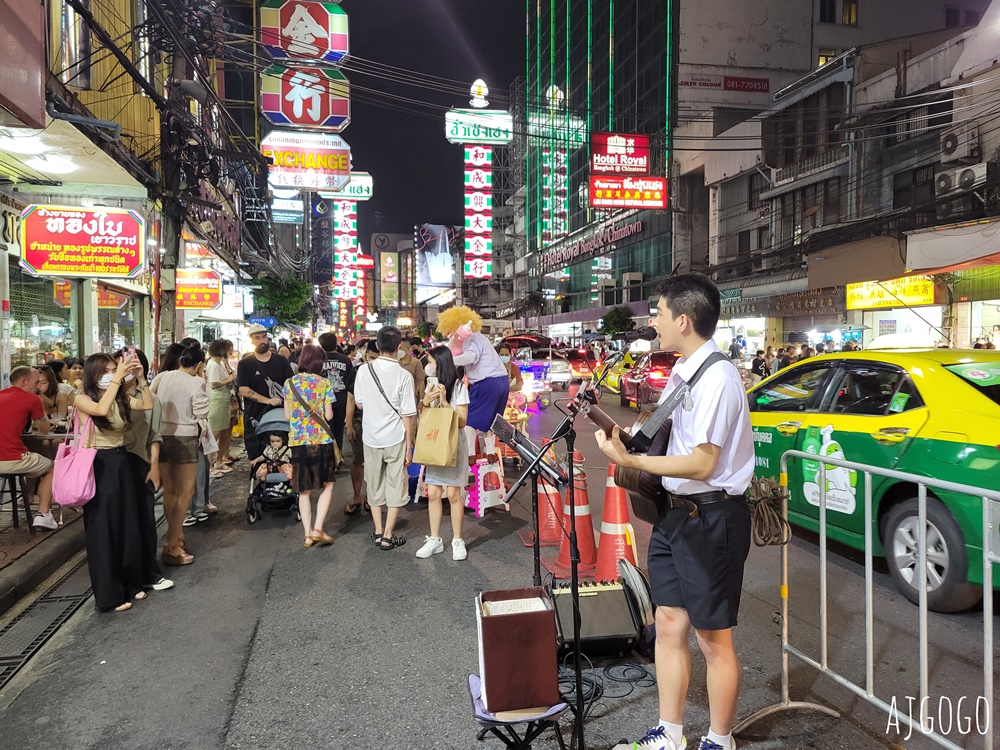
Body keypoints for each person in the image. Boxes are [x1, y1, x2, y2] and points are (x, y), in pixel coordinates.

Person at [597, 274, 754, 750]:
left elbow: (704, 462)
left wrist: (632, 461)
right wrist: (627, 439)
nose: (653, 322)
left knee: (712, 639)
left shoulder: (719, 378)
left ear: (683, 320)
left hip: (711, 517)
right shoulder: (684, 370)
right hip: (674, 515)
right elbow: (666, 438)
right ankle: (670, 733)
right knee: (667, 622)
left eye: (659, 314)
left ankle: (718, 740)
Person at [73, 352, 154, 612]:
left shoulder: (119, 396)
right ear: (93, 374)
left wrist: (141, 380)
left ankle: (133, 583)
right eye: (106, 370)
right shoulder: (82, 399)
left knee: (128, 524)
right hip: (99, 464)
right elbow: (100, 410)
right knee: (104, 529)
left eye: (113, 368)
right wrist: (118, 379)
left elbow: (147, 405)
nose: (111, 373)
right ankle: (109, 595)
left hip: (122, 461)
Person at [352, 327, 417, 550]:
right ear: (399, 347)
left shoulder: (363, 371)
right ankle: (389, 535)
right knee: (396, 484)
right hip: (396, 437)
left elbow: (359, 403)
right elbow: (408, 414)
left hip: (370, 436)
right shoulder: (404, 376)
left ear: (377, 346)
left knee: (374, 483)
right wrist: (409, 446)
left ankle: (378, 530)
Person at [151, 345, 210, 565]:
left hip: (161, 435)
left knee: (171, 490)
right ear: (199, 364)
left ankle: (176, 537)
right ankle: (172, 544)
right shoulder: (196, 382)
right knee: (186, 491)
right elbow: (202, 412)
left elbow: (151, 398)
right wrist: (201, 379)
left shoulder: (163, 376)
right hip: (185, 437)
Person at [121, 348, 173, 593]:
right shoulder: (106, 397)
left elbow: (154, 435)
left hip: (139, 461)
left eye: (133, 365)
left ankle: (149, 572)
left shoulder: (149, 399)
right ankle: (126, 576)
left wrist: (154, 467)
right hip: (112, 464)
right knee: (121, 522)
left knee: (144, 520)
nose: (126, 369)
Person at [414, 346, 471, 561]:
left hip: (453, 443)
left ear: (441, 363)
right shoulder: (430, 385)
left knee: (454, 494)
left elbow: (462, 421)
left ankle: (457, 539)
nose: (427, 366)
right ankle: (435, 539)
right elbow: (425, 416)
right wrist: (425, 402)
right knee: (434, 493)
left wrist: (446, 402)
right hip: (434, 442)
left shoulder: (458, 387)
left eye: (430, 361)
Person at [283, 344, 337, 547]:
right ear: (319, 363)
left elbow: (287, 416)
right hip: (321, 440)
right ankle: (318, 528)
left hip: (298, 441)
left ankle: (307, 535)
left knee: (303, 490)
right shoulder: (323, 383)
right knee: (327, 484)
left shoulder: (289, 383)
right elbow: (329, 415)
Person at [437, 306, 509, 457]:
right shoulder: (481, 338)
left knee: (469, 418)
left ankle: (470, 454)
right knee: (492, 419)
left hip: (486, 382)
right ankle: (489, 453)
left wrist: (449, 361)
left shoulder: (471, 338)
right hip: (502, 381)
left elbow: (471, 357)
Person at [0, 367, 58, 531]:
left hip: (9, 456)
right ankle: (43, 514)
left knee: (34, 455)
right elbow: (45, 429)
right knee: (54, 468)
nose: (39, 387)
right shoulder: (31, 399)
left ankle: (28, 495)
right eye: (36, 382)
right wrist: (40, 405)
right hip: (11, 458)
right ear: (23, 381)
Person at [237, 324, 293, 461]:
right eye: (257, 338)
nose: (262, 340)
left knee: (284, 456)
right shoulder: (245, 363)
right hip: (255, 416)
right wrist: (267, 400)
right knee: (256, 457)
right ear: (251, 340)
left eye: (264, 337)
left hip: (281, 417)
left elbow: (291, 384)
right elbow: (243, 389)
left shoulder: (280, 361)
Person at [344, 341, 379, 515]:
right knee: (358, 460)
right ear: (366, 355)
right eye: (372, 358)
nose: (374, 362)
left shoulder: (387, 371)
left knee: (376, 463)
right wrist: (348, 424)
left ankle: (371, 497)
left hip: (380, 424)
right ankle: (357, 496)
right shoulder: (357, 371)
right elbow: (350, 399)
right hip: (360, 422)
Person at [317, 331, 355, 455]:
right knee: (338, 431)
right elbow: (350, 382)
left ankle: (328, 457)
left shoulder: (318, 360)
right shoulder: (345, 359)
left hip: (322, 401)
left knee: (325, 430)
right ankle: (337, 455)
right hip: (341, 400)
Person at [206, 339, 236, 477]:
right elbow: (213, 384)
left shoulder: (220, 363)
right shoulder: (213, 364)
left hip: (225, 399)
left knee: (224, 431)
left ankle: (219, 461)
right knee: (215, 433)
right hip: (217, 400)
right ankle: (210, 466)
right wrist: (229, 379)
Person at [398, 337, 427, 405]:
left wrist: (421, 401)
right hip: (398, 398)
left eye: (400, 349)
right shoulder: (396, 362)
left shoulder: (416, 363)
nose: (398, 351)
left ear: (408, 349)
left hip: (412, 398)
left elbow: (421, 383)